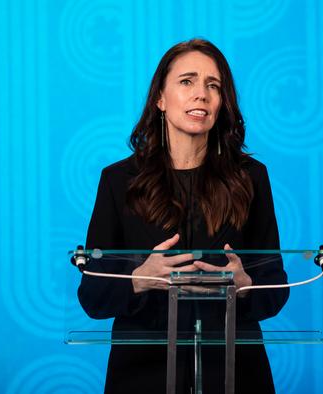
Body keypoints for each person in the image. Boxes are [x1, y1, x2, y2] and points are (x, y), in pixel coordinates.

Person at [77, 38, 289, 394]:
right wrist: (138, 278)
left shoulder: (251, 178)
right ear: (160, 98)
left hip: (236, 374)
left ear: (222, 103)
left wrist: (247, 286)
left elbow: (276, 287)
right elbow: (92, 295)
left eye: (213, 85)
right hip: (143, 376)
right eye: (187, 81)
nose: (201, 94)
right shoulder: (117, 181)